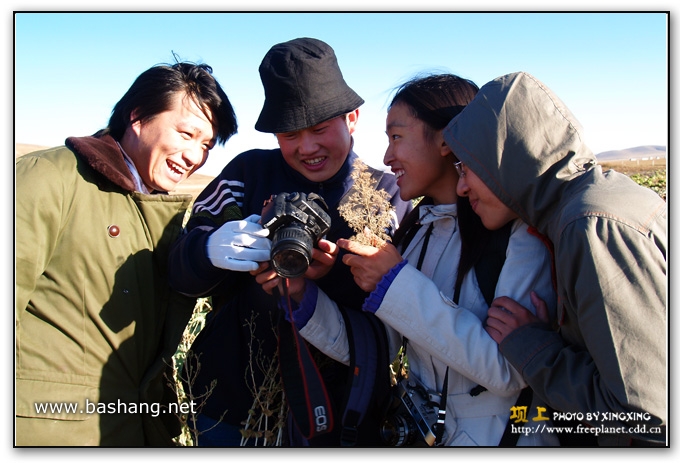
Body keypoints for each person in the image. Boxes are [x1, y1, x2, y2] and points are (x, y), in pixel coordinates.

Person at [263, 73, 560, 446]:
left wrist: (396, 281)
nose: (387, 156)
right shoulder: (419, 231)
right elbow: (378, 348)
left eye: (397, 137)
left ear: (448, 138)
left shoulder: (518, 237)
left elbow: (506, 373)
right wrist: (301, 294)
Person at [167, 37, 411, 447]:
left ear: (352, 118)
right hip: (229, 401)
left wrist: (335, 276)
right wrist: (210, 250)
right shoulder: (246, 174)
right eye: (289, 133)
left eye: (319, 128)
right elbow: (180, 273)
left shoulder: (388, 195)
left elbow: (404, 314)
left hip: (341, 412)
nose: (307, 147)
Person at [15, 61, 238, 446]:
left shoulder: (158, 210)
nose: (194, 156)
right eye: (186, 134)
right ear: (137, 117)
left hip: (130, 426)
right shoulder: (48, 178)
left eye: (205, 144)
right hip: (48, 429)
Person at [443, 71, 667, 446]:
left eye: (467, 167)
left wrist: (535, 350)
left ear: (506, 158)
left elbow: (646, 420)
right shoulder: (594, 203)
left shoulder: (589, 227)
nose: (462, 187)